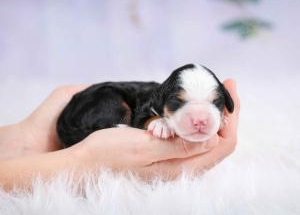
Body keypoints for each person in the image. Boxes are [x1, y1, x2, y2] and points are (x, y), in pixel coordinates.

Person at [0, 79, 240, 191]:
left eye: (215, 104)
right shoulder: (153, 107)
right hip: (101, 106)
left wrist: (28, 139)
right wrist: (80, 162)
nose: (199, 117)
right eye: (179, 104)